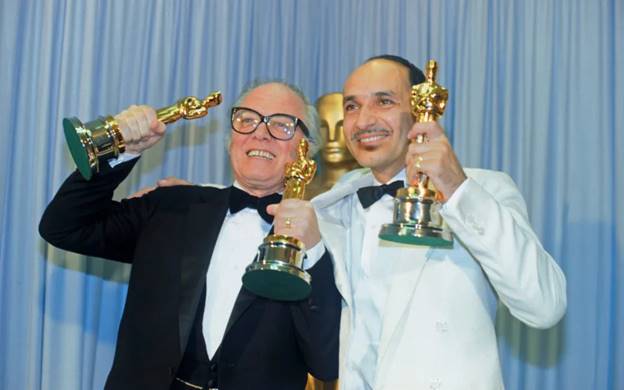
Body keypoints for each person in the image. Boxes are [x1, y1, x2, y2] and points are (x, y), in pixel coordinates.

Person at [39, 81, 342, 390]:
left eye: (281, 124)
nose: (260, 132)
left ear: (308, 149)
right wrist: (123, 149)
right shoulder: (172, 206)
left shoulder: (326, 240)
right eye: (247, 119)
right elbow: (64, 227)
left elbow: (327, 361)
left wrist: (313, 250)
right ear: (230, 139)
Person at [311, 55, 567, 389]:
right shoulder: (332, 206)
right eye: (352, 106)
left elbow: (544, 305)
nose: (364, 120)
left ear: (419, 110)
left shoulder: (483, 189)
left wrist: (457, 187)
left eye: (384, 101)